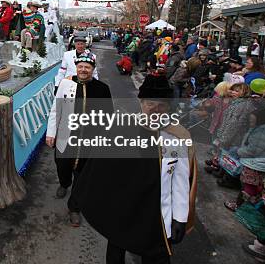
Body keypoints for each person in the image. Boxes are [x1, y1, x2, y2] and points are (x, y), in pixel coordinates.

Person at [75, 74, 195, 263]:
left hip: (156, 215)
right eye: (150, 104)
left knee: (156, 257)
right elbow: (100, 171)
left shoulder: (177, 137)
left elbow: (180, 180)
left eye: (161, 105)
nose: (155, 110)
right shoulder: (121, 129)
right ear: (141, 103)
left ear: (168, 107)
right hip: (123, 210)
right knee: (115, 254)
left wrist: (180, 216)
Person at [45, 51, 113, 227]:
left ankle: (74, 208)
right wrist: (51, 133)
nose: (83, 70)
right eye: (80, 66)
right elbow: (55, 110)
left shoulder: (102, 89)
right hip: (65, 136)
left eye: (87, 67)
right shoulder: (65, 85)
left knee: (82, 174)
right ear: (76, 68)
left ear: (92, 69)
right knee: (62, 165)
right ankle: (64, 182)